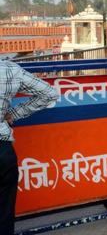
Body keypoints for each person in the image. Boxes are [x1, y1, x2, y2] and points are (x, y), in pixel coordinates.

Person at [1, 60, 59, 234]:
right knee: (4, 211)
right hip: (2, 152)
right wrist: (13, 114)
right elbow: (49, 93)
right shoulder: (9, 69)